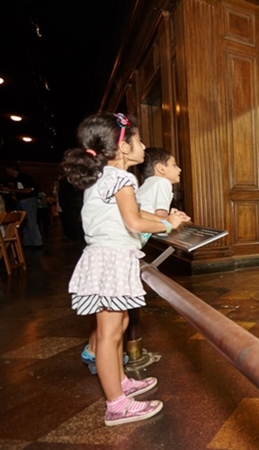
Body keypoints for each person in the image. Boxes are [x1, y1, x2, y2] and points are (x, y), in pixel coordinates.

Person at [62, 112, 191, 426]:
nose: (144, 146)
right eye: (139, 140)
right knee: (108, 334)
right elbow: (134, 221)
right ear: (123, 147)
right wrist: (168, 224)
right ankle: (116, 405)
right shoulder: (122, 178)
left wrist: (164, 219)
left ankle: (120, 381)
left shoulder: (103, 176)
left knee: (118, 324)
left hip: (106, 257)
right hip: (112, 258)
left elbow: (132, 213)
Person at [81, 147, 186, 373]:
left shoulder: (112, 178)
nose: (178, 169)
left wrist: (169, 221)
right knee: (113, 323)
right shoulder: (154, 182)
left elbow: (138, 210)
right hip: (116, 252)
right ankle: (111, 375)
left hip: (104, 252)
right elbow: (142, 219)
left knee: (110, 314)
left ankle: (95, 352)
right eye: (174, 164)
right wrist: (170, 224)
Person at [4, 162, 43, 247]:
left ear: (10, 169)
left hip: (28, 201)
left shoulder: (24, 177)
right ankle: (28, 243)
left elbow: (29, 190)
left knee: (31, 221)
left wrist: (11, 190)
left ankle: (37, 243)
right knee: (24, 223)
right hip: (22, 201)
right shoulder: (17, 179)